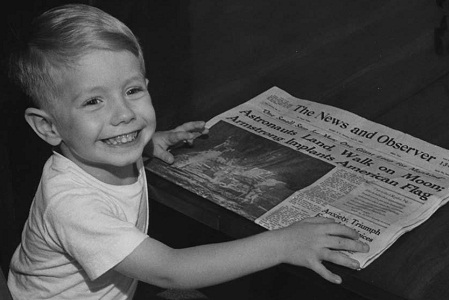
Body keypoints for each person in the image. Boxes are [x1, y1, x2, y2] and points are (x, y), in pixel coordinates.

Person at [7, 4, 369, 299]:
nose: (124, 114)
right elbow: (172, 270)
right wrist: (283, 244)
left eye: (132, 91)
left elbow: (116, 132)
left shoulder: (101, 148)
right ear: (48, 127)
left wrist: (149, 142)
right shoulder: (72, 205)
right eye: (93, 101)